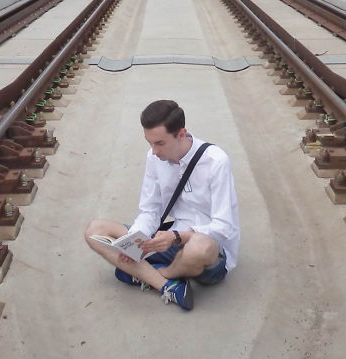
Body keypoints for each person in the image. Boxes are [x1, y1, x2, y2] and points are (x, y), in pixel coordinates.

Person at [84, 99, 240, 311]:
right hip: (168, 239)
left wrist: (177, 237)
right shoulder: (154, 158)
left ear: (181, 134)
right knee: (95, 231)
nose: (154, 151)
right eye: (149, 142)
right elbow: (150, 210)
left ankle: (154, 274)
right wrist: (135, 242)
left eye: (160, 143)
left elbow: (224, 227)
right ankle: (168, 286)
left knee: (198, 247)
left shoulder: (216, 161)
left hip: (209, 251)